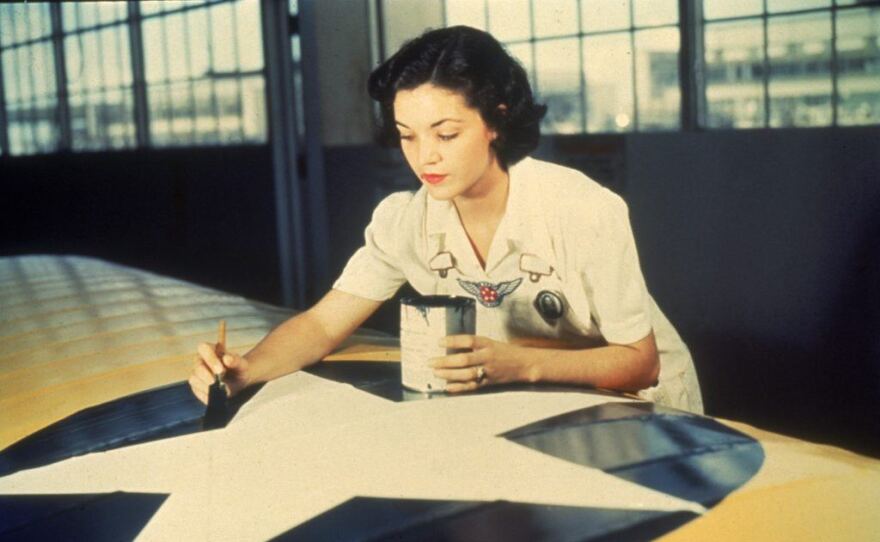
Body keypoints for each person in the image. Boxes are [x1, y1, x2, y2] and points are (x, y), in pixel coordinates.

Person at [189, 26, 703, 413]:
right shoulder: (405, 220)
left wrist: (518, 363)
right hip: (528, 397)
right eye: (407, 135)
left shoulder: (581, 208)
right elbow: (324, 323)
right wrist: (245, 370)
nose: (424, 157)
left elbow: (641, 360)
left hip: (645, 405)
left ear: (496, 120)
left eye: (446, 133)